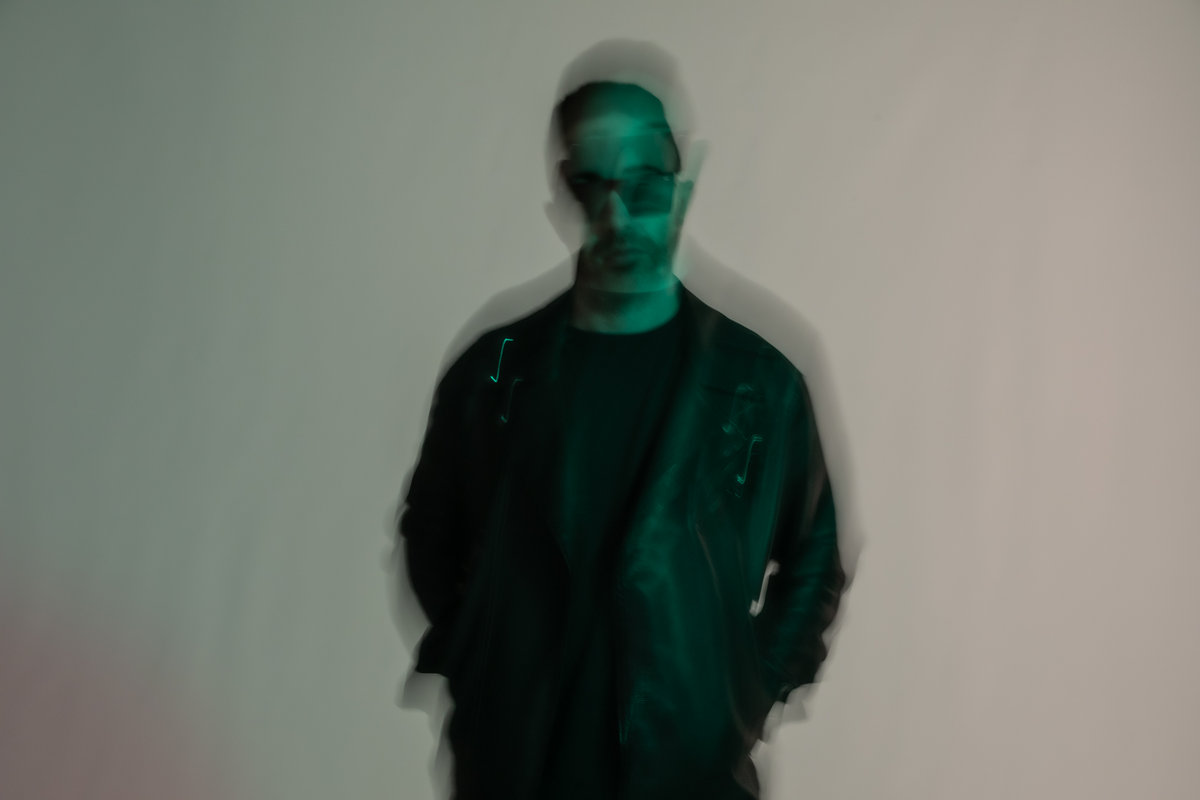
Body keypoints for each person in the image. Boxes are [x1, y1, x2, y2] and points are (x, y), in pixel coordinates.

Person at [397, 44, 846, 800]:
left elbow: (815, 557)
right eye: (592, 185)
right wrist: (483, 661)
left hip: (690, 777)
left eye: (642, 184)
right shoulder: (495, 372)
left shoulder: (759, 384)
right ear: (562, 195)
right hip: (518, 773)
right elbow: (430, 531)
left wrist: (743, 691)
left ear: (682, 186)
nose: (616, 215)